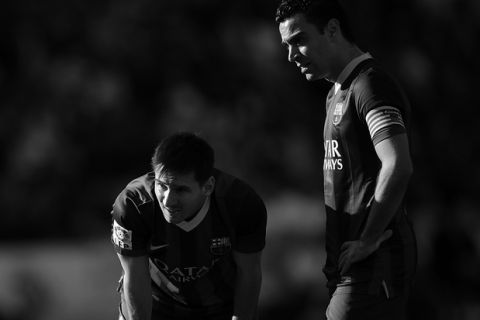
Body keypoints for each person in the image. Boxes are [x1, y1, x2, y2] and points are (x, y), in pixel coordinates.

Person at [275, 0, 417, 319]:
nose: (291, 55)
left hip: (374, 262)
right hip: (350, 266)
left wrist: (367, 239)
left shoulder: (369, 84)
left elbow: (398, 164)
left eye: (299, 40)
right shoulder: (336, 92)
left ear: (333, 30)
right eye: (286, 45)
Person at [111, 132, 267, 320]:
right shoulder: (133, 205)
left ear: (208, 187)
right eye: (162, 186)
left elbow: (249, 273)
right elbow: (134, 277)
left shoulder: (241, 204)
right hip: (155, 304)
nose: (168, 201)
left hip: (220, 307)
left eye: (181, 189)